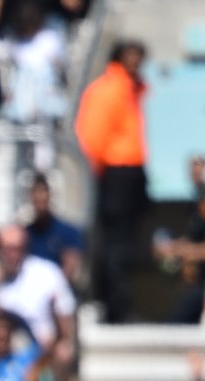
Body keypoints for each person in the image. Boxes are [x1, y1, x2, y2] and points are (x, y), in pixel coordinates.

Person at [75, 40, 150, 323]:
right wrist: (97, 176)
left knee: (125, 243)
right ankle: (113, 307)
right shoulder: (108, 89)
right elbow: (93, 137)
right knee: (114, 245)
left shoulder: (131, 89)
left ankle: (119, 305)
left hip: (129, 172)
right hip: (115, 173)